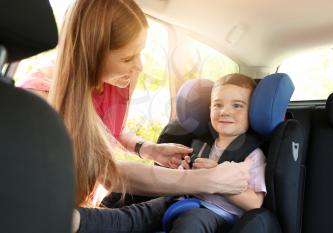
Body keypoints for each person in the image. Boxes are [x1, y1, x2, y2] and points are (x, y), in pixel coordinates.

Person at [19, 0, 252, 232]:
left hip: (83, 203)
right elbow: (109, 172)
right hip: (53, 211)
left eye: (140, 53)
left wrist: (147, 149)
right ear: (93, 53)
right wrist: (209, 181)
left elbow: (110, 130)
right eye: (127, 58)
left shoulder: (116, 81)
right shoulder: (41, 100)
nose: (139, 67)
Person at [168, 74, 266, 233]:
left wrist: (218, 179)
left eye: (237, 105)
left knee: (191, 221)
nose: (224, 112)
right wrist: (184, 172)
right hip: (187, 201)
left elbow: (255, 203)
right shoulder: (202, 145)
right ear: (210, 109)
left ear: (252, 112)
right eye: (218, 105)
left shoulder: (252, 155)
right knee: (147, 208)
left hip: (221, 214)